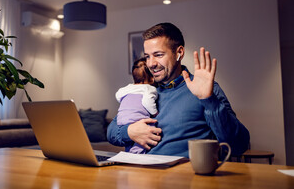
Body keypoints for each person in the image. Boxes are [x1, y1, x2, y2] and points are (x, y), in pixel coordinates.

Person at [107, 22, 250, 158]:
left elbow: (239, 145)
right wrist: (129, 132)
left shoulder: (203, 90)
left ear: (179, 53)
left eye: (158, 55)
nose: (151, 64)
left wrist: (209, 100)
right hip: (141, 177)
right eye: (147, 56)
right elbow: (111, 131)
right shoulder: (143, 89)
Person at [116, 57, 158, 154]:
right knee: (151, 128)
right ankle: (136, 152)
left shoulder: (127, 88)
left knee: (132, 139)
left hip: (121, 120)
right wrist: (155, 112)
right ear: (152, 78)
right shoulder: (149, 89)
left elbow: (118, 95)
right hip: (137, 118)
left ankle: (128, 151)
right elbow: (147, 101)